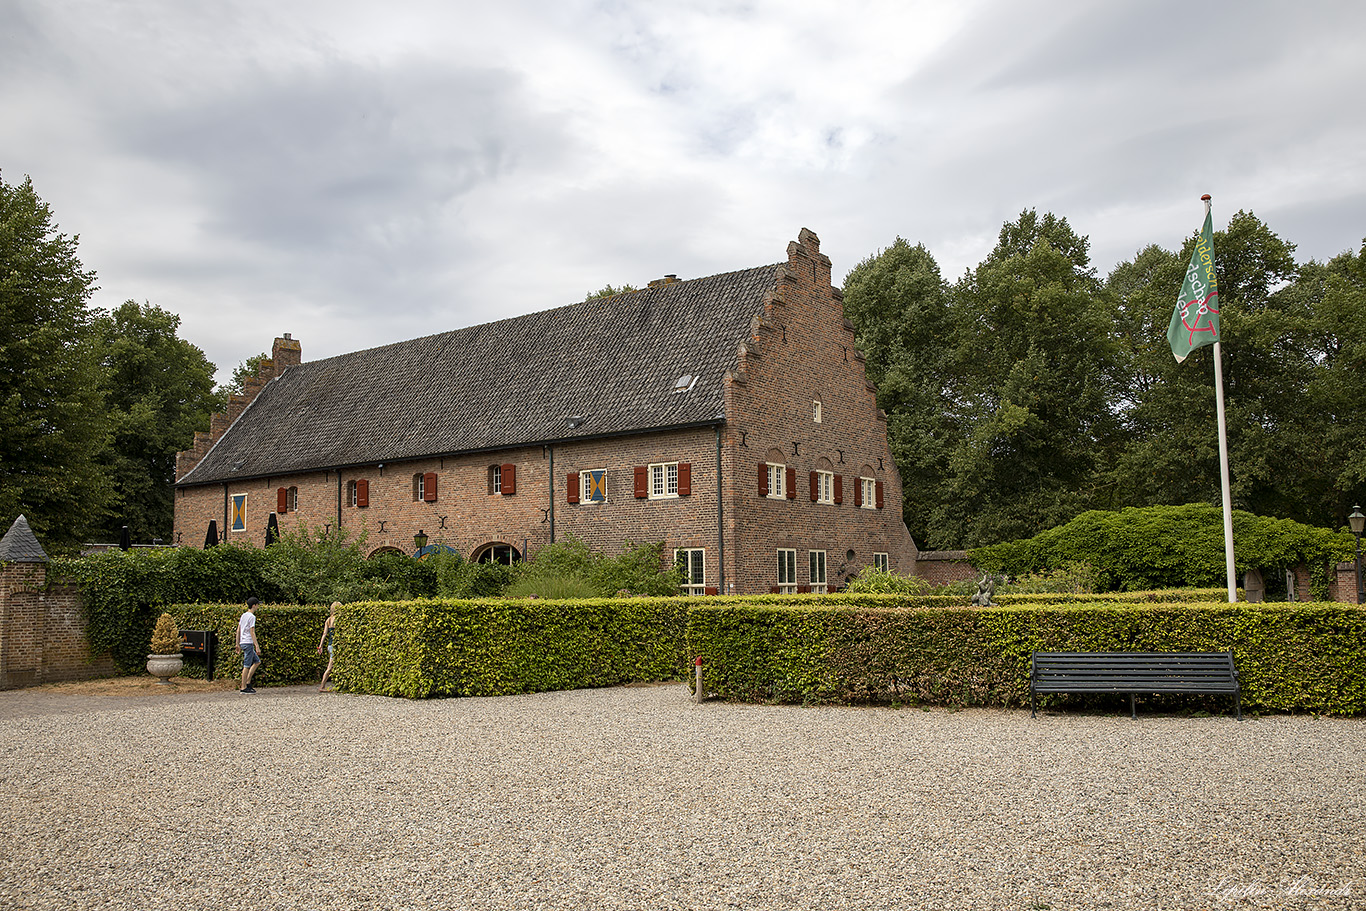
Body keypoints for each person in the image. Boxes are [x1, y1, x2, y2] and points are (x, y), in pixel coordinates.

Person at [237, 597, 262, 694]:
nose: (258, 607)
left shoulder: (243, 615)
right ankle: (243, 687)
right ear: (254, 605)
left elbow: (238, 629)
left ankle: (247, 682)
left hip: (243, 642)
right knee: (246, 665)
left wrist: (237, 643)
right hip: (248, 642)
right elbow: (252, 632)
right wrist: (257, 646)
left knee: (257, 662)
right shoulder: (252, 617)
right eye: (257, 605)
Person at [316, 601, 339, 692]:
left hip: (330, 645)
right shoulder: (338, 619)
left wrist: (320, 646)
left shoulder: (328, 620)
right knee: (329, 667)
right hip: (335, 645)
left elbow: (324, 634)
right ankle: (322, 686)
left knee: (333, 666)